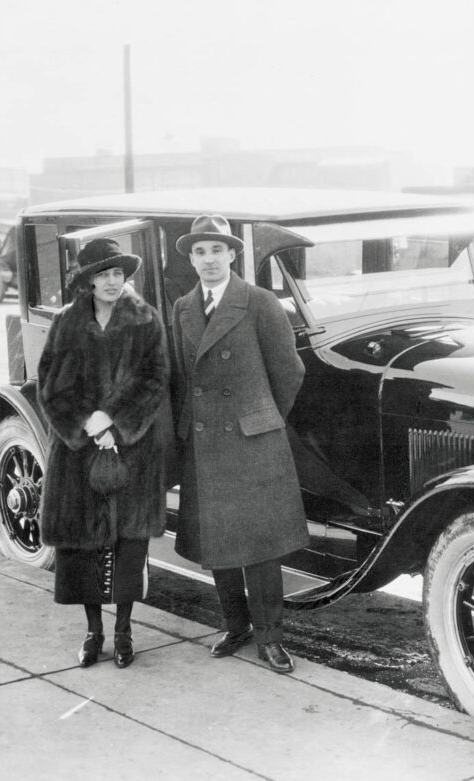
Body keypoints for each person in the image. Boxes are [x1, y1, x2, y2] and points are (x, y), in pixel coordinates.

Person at [171, 214, 309, 674]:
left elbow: (288, 372)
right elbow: (180, 377)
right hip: (206, 443)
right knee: (219, 544)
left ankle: (271, 638)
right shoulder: (183, 308)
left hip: (253, 444)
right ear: (191, 259)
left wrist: (260, 420)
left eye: (216, 250)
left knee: (260, 549)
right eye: (199, 252)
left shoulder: (260, 302)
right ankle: (236, 627)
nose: (208, 260)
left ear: (233, 254)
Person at [37, 237, 170, 669]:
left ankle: (124, 631)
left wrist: (115, 422)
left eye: (118, 273)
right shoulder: (66, 322)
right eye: (104, 274)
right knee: (83, 546)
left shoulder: (146, 320)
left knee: (128, 545)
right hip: (79, 455)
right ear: (88, 281)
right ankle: (94, 632)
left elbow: (155, 381)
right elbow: (51, 386)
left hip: (132, 450)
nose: (113, 281)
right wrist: (88, 426)